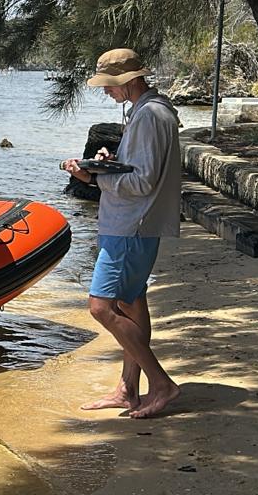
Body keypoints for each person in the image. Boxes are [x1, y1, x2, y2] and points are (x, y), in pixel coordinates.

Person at [61, 47, 182, 419]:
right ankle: (128, 389)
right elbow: (141, 171)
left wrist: (93, 177)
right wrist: (111, 166)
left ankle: (160, 383)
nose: (105, 90)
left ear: (129, 80)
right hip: (132, 224)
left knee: (101, 307)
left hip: (131, 226)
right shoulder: (149, 111)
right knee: (131, 302)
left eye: (109, 84)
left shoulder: (150, 116)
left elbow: (143, 182)